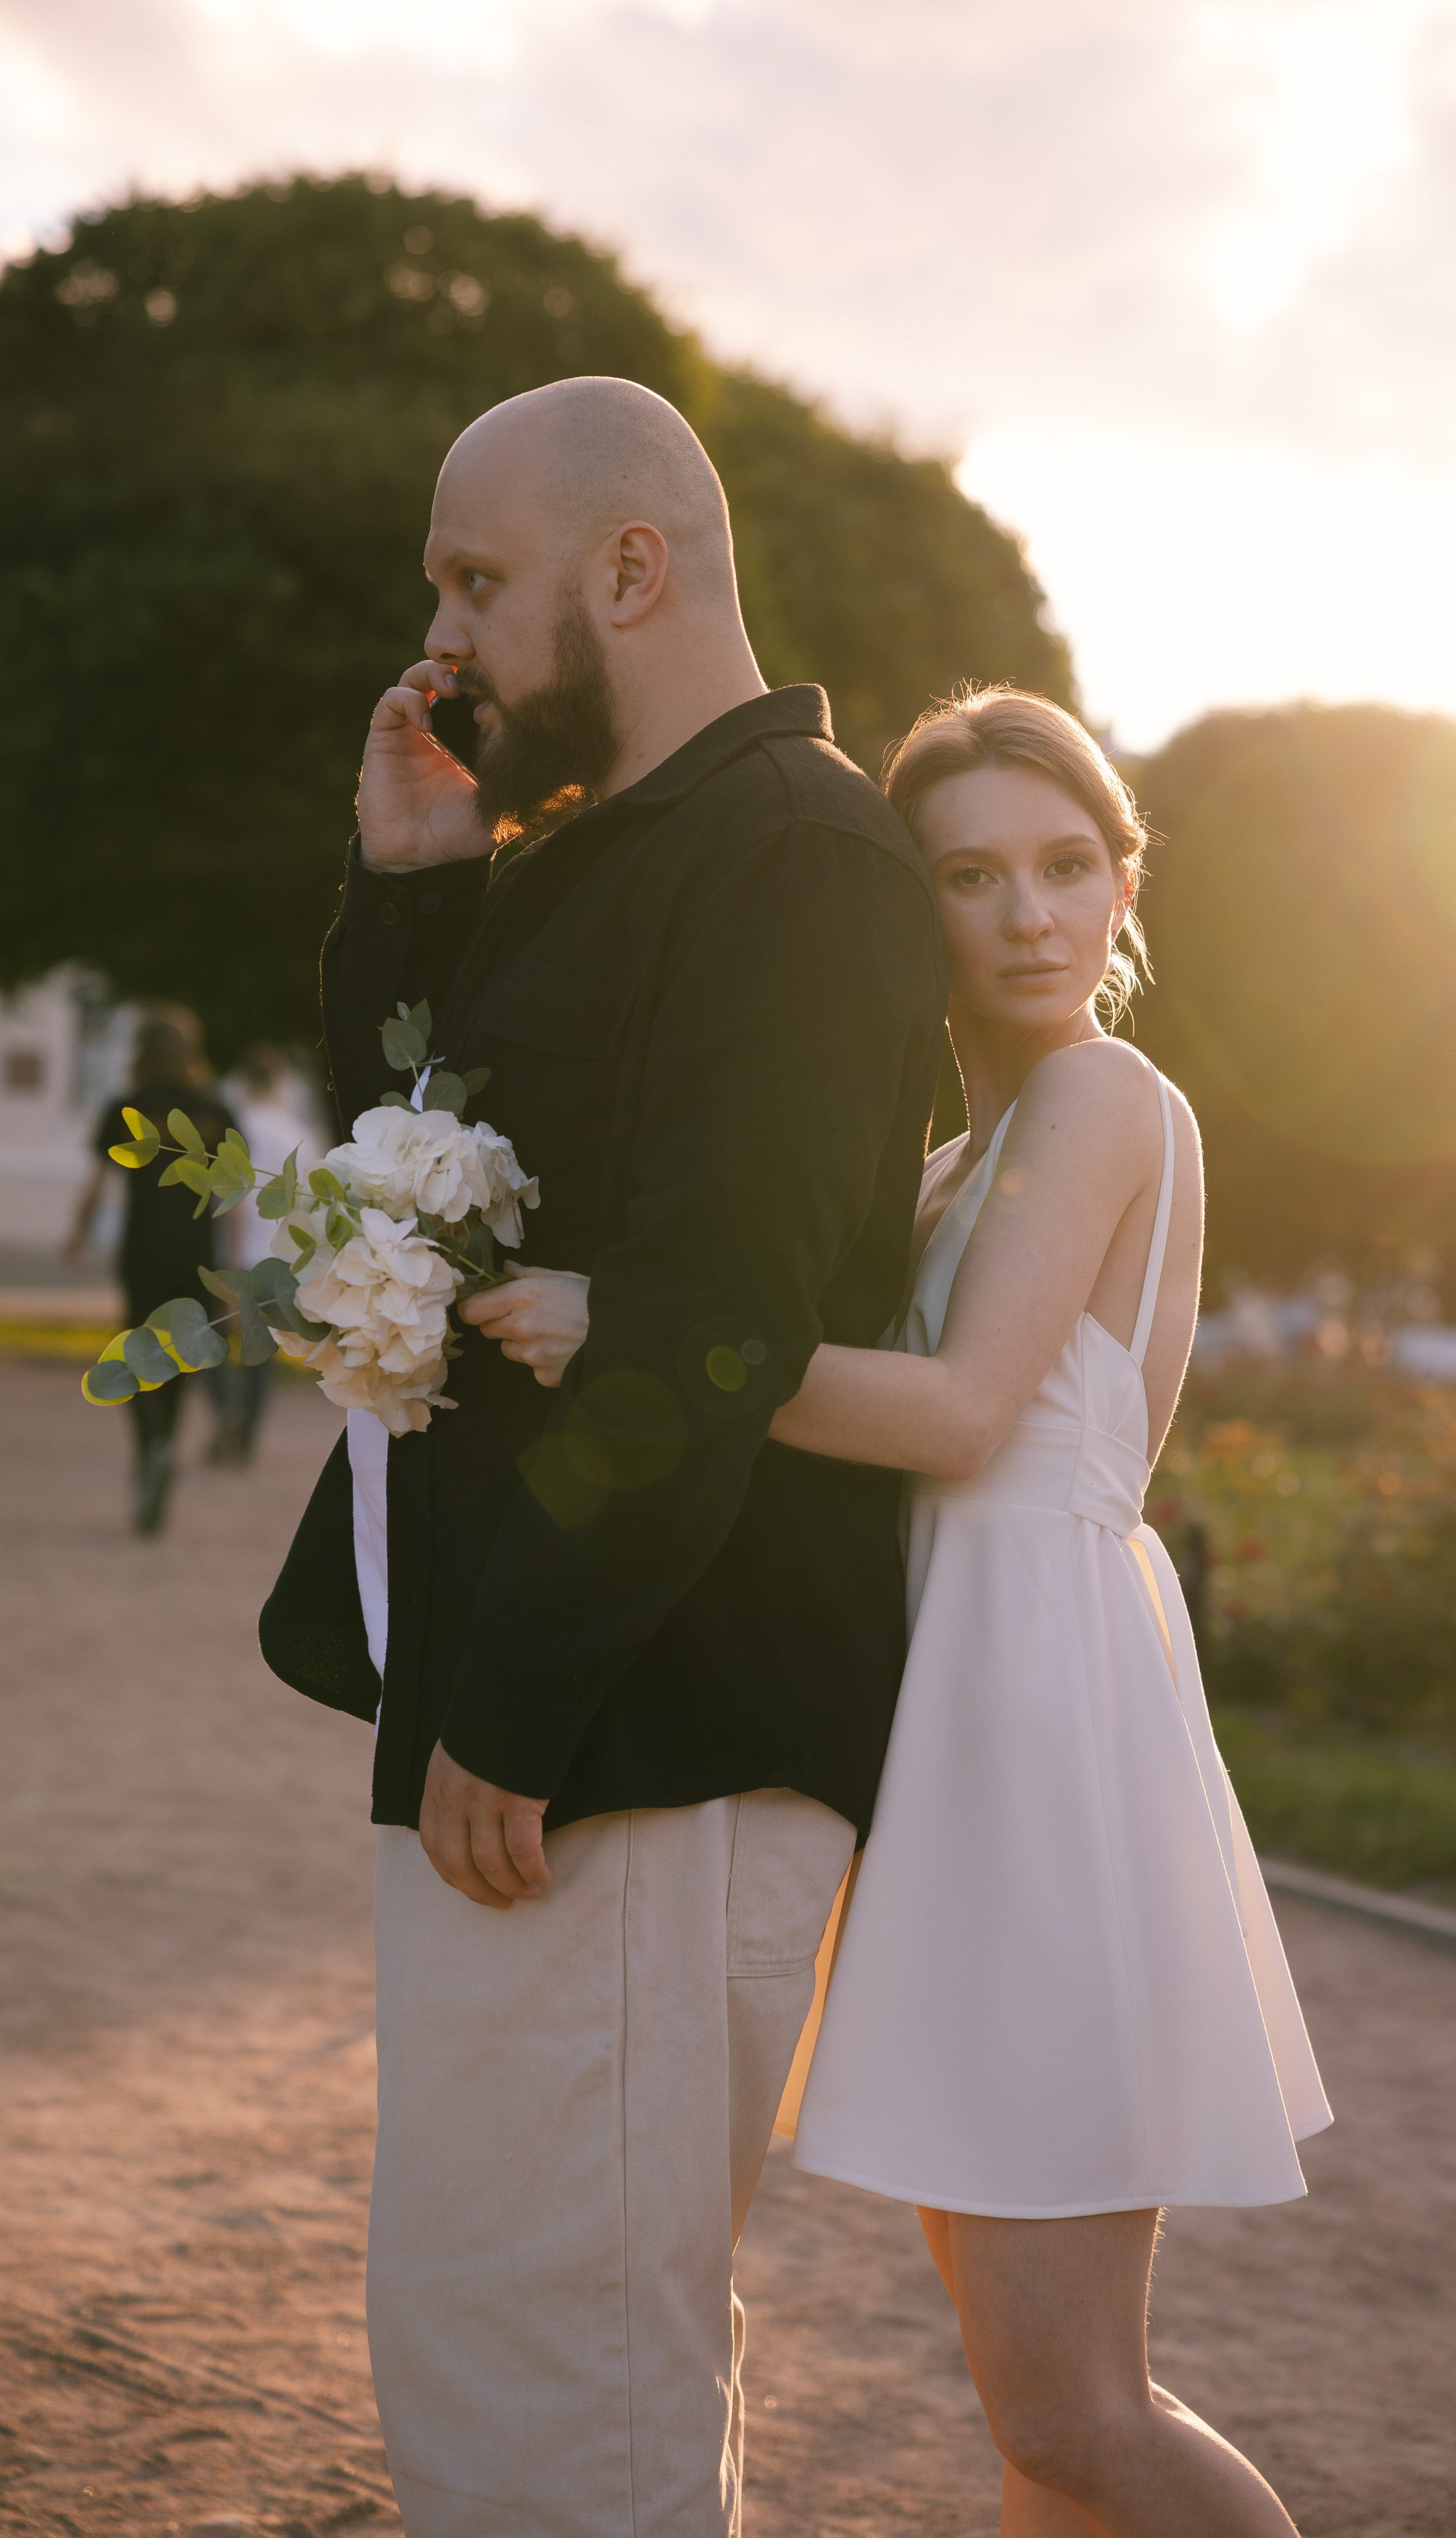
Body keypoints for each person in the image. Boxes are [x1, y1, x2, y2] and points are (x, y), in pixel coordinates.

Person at [490, 689, 1332, 2538]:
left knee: (1076, 2408)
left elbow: (958, 1423)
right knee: (1032, 2415)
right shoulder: (966, 1153)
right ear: (908, 905)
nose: (1030, 913)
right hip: (966, 1733)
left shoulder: (1106, 1096)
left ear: (1123, 889)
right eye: (968, 873)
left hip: (1038, 1741)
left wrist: (636, 1336)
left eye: (1068, 864)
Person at [257, 376, 948, 2537]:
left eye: (477, 578)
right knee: (486, 2315)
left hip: (641, 1729)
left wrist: (523, 1692)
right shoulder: (606, 849)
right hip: (546, 1718)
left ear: (628, 567)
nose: (442, 639)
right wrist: (412, 888)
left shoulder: (799, 857)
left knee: (567, 2361)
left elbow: (711, 1312)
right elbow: (448, 1180)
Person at [67, 1007, 239, 1534]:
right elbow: (233, 1196)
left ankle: (150, 1447)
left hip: (144, 1250)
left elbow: (98, 1182)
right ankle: (167, 1443)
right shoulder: (213, 1109)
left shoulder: (127, 1109)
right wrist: (230, 1268)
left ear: (139, 1050)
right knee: (181, 1353)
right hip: (198, 1252)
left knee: (135, 1350)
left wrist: (77, 1233)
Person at [210, 1045, 325, 1466]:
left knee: (216, 1340)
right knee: (262, 1349)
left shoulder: (234, 1127)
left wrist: (231, 1260)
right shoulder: (299, 1134)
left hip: (237, 1251)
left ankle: (226, 1414)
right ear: (278, 1081)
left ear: (243, 1077)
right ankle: (247, 1437)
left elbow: (232, 1197)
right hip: (281, 1259)